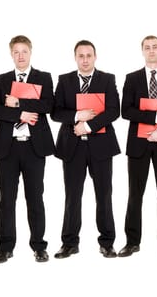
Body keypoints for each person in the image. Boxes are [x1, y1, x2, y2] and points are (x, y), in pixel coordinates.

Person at [0, 35, 54, 263]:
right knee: (7, 198)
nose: (20, 56)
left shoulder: (43, 77)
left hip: (34, 148)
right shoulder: (1, 79)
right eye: (16, 52)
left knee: (35, 197)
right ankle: (5, 247)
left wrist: (18, 104)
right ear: (11, 54)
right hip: (8, 148)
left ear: (31, 52)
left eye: (24, 51)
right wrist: (20, 114)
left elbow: (48, 105)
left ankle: (39, 246)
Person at [51, 40, 121, 259]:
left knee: (104, 195)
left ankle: (107, 242)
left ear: (95, 57)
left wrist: (88, 125)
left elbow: (113, 110)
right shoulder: (64, 80)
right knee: (72, 195)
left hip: (101, 146)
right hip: (72, 146)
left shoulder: (107, 79)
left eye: (88, 55)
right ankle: (69, 243)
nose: (85, 59)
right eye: (80, 56)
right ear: (75, 58)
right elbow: (55, 112)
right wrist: (76, 117)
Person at [117, 35, 157, 258]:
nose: (151, 50)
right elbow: (126, 110)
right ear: (142, 51)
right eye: (147, 47)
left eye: (155, 47)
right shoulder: (132, 78)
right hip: (138, 145)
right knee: (135, 194)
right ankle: (132, 241)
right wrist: (154, 115)